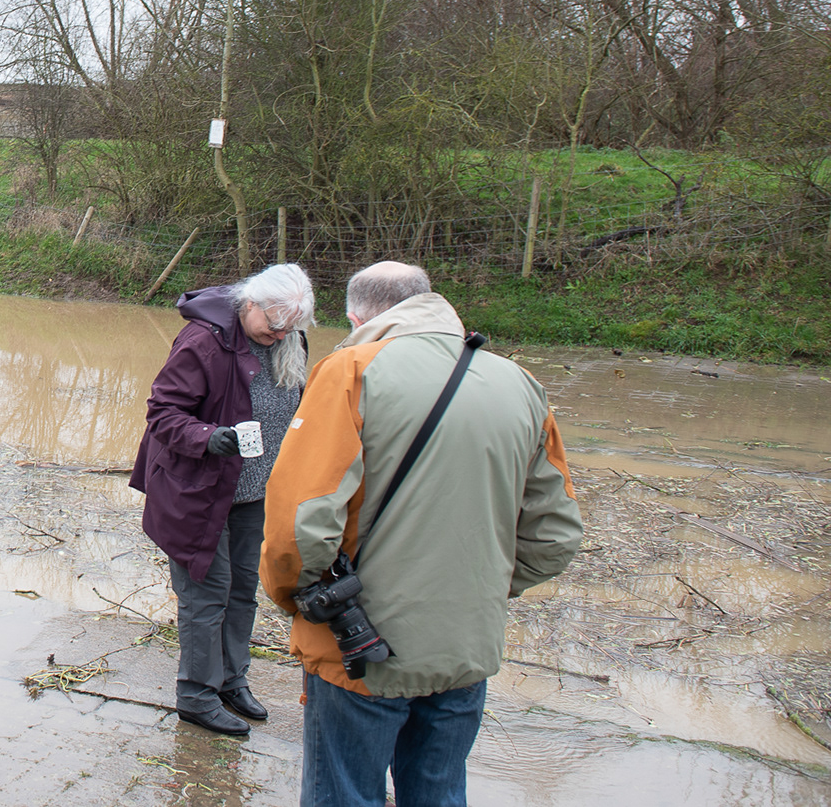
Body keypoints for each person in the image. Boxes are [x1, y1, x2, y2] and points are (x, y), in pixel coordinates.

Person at [261, 261, 582, 807]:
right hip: (465, 645)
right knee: (438, 792)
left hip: (360, 646)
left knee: (343, 794)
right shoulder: (522, 384)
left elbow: (300, 526)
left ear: (355, 315)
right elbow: (555, 536)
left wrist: (297, 600)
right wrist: (478, 591)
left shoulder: (351, 371)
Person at [130, 262, 316, 736]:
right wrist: (209, 437)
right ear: (249, 304)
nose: (279, 337)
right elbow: (163, 411)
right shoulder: (203, 341)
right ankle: (196, 695)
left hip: (255, 491)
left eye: (289, 329)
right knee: (205, 594)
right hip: (198, 489)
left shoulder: (288, 339)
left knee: (241, 590)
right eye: (273, 327)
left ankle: (232, 680)